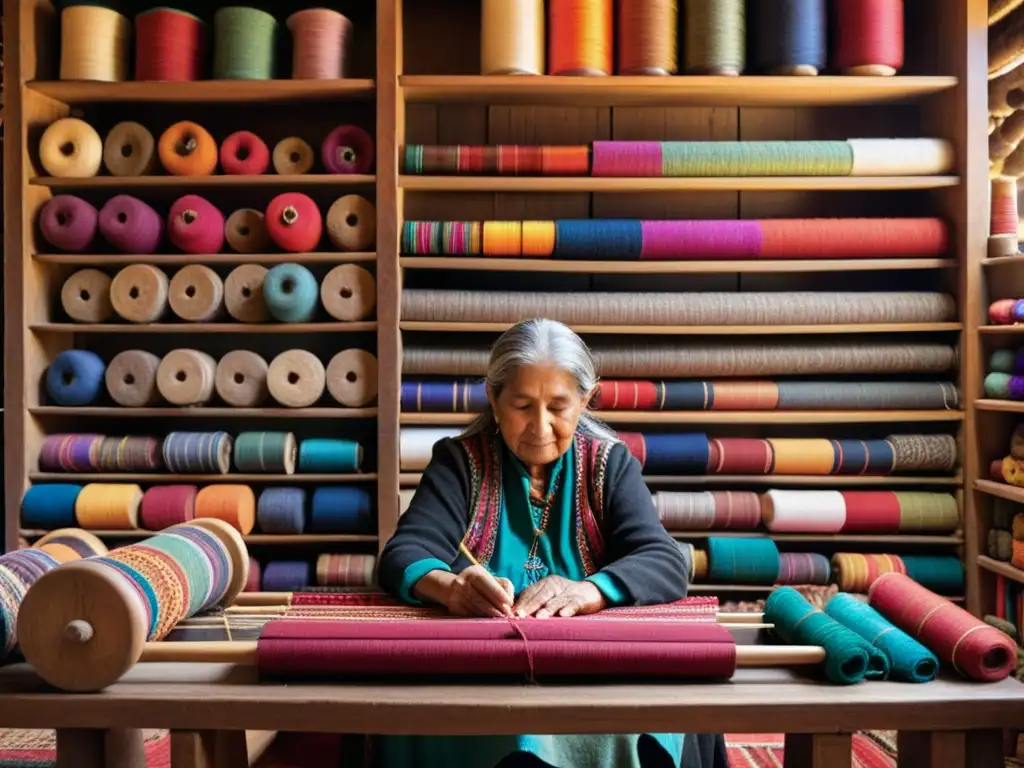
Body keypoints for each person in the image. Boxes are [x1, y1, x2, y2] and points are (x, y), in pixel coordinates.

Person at [377, 318, 729, 768]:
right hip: (482, 674)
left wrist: (591, 591)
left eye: (558, 407)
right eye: (522, 405)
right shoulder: (459, 464)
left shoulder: (610, 466)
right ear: (494, 398)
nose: (540, 426)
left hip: (594, 673)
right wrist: (453, 589)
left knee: (651, 713)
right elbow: (404, 553)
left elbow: (663, 560)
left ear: (586, 400)